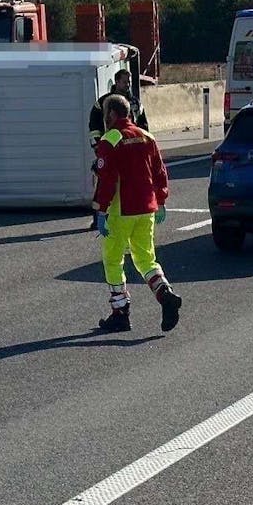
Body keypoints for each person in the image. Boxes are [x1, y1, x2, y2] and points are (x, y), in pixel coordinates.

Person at [91, 94, 183, 333]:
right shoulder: (147, 136)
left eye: (105, 115)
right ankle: (165, 294)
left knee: (113, 260)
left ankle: (120, 313)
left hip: (121, 210)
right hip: (147, 208)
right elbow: (160, 172)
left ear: (111, 115)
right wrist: (161, 200)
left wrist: (100, 210)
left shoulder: (110, 139)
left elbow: (107, 180)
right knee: (145, 259)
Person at [89, 68, 148, 145]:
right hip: (110, 146)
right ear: (117, 82)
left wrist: (144, 142)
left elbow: (143, 125)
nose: (128, 85)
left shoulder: (136, 103)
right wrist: (98, 144)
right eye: (124, 82)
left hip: (132, 146)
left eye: (129, 82)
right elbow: (94, 125)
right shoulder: (104, 102)